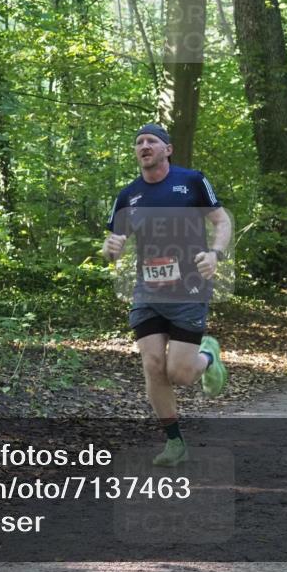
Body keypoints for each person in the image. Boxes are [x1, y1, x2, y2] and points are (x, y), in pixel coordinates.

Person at [103, 123, 232, 466]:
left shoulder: (191, 181)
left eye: (151, 141)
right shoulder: (128, 196)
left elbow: (222, 222)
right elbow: (112, 246)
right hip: (147, 291)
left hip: (189, 289)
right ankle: (175, 442)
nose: (144, 146)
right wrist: (111, 248)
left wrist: (215, 254)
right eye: (139, 142)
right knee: (152, 364)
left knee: (180, 374)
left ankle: (208, 356)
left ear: (168, 150)